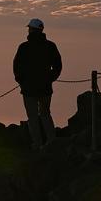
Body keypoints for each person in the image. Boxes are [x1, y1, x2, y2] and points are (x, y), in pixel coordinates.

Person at [13, 19, 62, 151]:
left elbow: (16, 66)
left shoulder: (24, 47)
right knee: (46, 114)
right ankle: (52, 142)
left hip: (28, 89)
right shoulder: (50, 46)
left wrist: (21, 81)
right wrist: (50, 78)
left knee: (33, 117)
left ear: (32, 30)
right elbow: (58, 65)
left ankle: (37, 144)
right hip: (45, 88)